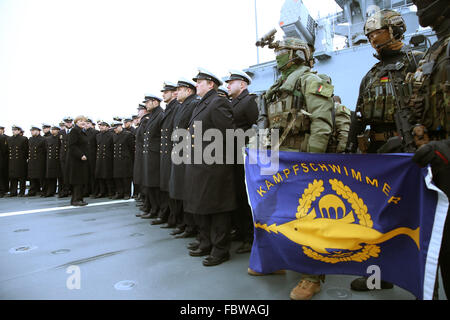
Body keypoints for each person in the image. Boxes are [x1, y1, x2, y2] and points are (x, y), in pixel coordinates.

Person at [345, 9, 423, 291]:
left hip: (410, 153)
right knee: (377, 217)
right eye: (368, 34)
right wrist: (350, 146)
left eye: (376, 32)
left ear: (394, 30)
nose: (371, 38)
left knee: (416, 217)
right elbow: (358, 116)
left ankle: (422, 282)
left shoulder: (417, 62)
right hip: (378, 155)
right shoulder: (371, 74)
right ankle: (379, 277)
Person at [254, 36, 334, 300]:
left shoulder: (311, 80)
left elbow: (322, 124)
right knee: (276, 215)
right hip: (278, 161)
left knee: (308, 217)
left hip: (302, 161)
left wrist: (312, 163)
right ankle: (278, 261)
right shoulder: (275, 88)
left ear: (296, 54)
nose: (277, 55)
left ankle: (312, 275)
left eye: (281, 51)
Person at [409, 0, 450, 299]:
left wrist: (446, 146)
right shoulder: (435, 51)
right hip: (437, 165)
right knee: (438, 241)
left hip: (445, 156)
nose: (418, 5)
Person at [184, 68, 237, 267]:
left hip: (214, 167)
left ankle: (220, 249)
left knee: (218, 209)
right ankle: (205, 242)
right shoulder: (202, 104)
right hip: (200, 166)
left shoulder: (218, 102)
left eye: (199, 82)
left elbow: (229, 136)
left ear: (211, 84)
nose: (196, 85)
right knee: (202, 206)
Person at [225, 69, 258, 254]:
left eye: (232, 82)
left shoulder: (249, 101)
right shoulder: (233, 102)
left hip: (244, 155)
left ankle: (250, 237)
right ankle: (240, 230)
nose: (228, 85)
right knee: (236, 194)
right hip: (233, 155)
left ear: (242, 85)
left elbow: (257, 128)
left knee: (246, 197)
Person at [169, 77, 200, 238]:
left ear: (188, 90)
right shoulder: (183, 105)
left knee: (187, 191)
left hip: (186, 152)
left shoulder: (193, 103)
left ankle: (190, 226)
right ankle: (184, 224)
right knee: (180, 190)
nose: (176, 92)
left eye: (179, 89)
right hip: (179, 152)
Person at [157, 82, 180, 228]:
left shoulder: (176, 107)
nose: (163, 94)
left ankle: (176, 220)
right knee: (167, 188)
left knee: (173, 189)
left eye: (167, 92)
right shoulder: (168, 109)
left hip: (174, 153)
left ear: (174, 93)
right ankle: (171, 217)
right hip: (167, 153)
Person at [141, 94, 164, 220]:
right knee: (150, 184)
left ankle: (158, 211)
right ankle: (153, 209)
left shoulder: (160, 114)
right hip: (150, 154)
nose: (146, 105)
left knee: (155, 185)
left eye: (148, 102)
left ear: (155, 102)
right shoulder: (153, 115)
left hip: (155, 155)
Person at [67, 116, 89, 206]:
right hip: (76, 160)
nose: (82, 122)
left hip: (81, 160)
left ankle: (79, 198)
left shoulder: (82, 132)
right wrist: (81, 155)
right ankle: (75, 200)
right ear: (76, 122)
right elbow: (72, 146)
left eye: (84, 121)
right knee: (77, 181)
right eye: (80, 121)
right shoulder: (74, 131)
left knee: (81, 180)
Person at [133, 104, 151, 215]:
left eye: (140, 110)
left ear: (144, 111)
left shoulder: (146, 121)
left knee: (144, 179)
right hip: (141, 153)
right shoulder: (143, 121)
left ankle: (146, 203)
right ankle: (145, 201)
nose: (138, 112)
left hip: (144, 153)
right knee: (142, 178)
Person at [111, 121, 134, 200]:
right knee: (117, 177)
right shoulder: (114, 136)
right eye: (114, 128)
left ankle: (127, 193)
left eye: (116, 128)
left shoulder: (127, 135)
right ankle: (120, 192)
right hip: (117, 160)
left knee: (126, 178)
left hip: (125, 160)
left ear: (120, 126)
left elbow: (132, 148)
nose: (115, 130)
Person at [7, 125, 28, 197]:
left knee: (22, 177)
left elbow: (26, 150)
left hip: (20, 161)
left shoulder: (24, 139)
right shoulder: (9, 139)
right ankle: (13, 191)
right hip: (12, 161)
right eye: (13, 130)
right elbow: (7, 151)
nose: (14, 131)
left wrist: (24, 159)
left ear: (19, 131)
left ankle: (22, 192)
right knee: (13, 177)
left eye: (15, 130)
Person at [95, 121, 114, 198]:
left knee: (108, 177)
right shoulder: (98, 135)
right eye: (100, 126)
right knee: (100, 176)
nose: (101, 127)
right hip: (99, 158)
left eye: (103, 126)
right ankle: (102, 191)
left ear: (107, 127)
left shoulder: (111, 135)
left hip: (107, 158)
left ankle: (110, 192)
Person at [27, 126, 46, 196]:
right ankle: (33, 190)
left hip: (40, 161)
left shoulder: (43, 139)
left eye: (33, 130)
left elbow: (45, 151)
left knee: (41, 176)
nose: (31, 132)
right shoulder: (30, 139)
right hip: (32, 160)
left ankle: (43, 190)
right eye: (31, 131)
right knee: (32, 176)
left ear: (38, 131)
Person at [43, 125, 61, 197]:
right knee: (50, 177)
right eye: (52, 129)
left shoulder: (60, 138)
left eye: (55, 129)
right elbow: (46, 149)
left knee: (60, 177)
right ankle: (50, 192)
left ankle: (61, 191)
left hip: (58, 160)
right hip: (50, 160)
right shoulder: (48, 139)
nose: (53, 131)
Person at [58, 116, 73, 198]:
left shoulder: (75, 131)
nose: (69, 123)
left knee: (72, 174)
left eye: (70, 122)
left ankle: (73, 190)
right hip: (63, 156)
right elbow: (59, 145)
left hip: (72, 156)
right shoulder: (61, 132)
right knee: (64, 175)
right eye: (67, 122)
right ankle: (65, 190)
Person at [0, 126, 8, 197]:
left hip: (2, 160)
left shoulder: (4, 138)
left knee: (2, 176)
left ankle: (3, 191)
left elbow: (4, 151)